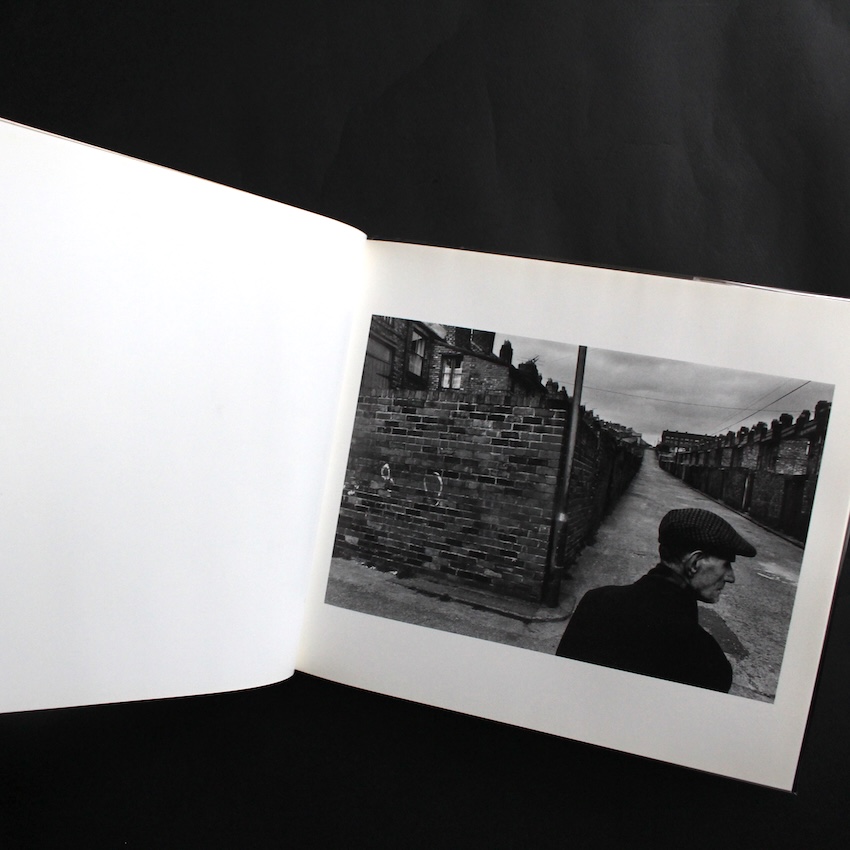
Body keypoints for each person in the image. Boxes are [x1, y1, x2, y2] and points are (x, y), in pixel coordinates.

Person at [555, 507, 757, 692]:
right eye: (726, 565)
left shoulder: (594, 601)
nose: (731, 577)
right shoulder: (708, 660)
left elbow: (560, 688)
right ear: (694, 563)